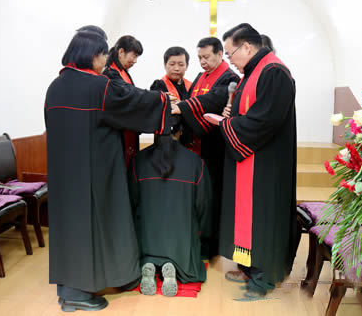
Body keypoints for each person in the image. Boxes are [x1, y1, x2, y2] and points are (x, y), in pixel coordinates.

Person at [45, 28, 171, 312]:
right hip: (96, 172)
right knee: (101, 224)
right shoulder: (98, 87)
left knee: (70, 229)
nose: (105, 61)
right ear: (92, 55)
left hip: (65, 174)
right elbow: (133, 103)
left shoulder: (54, 87)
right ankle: (90, 288)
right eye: (104, 55)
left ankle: (68, 290)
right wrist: (163, 101)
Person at [172, 24, 300, 300]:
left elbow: (265, 119)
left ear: (247, 47)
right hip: (249, 159)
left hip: (266, 165)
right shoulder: (254, 72)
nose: (231, 60)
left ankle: (263, 277)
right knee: (245, 217)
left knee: (262, 219)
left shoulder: (274, 72)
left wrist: (228, 124)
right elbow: (249, 112)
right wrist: (230, 117)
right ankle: (248, 266)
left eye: (230, 54)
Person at [128, 117, 212, 297]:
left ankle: (148, 263)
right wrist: (203, 233)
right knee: (188, 251)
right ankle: (173, 265)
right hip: (181, 240)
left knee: (142, 228)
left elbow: (131, 202)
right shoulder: (196, 162)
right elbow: (203, 205)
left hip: (146, 238)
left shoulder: (138, 161)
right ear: (180, 131)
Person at [173, 37, 240, 258]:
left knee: (212, 196)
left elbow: (212, 100)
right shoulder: (202, 76)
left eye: (206, 57)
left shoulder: (229, 77)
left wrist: (180, 107)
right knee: (198, 196)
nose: (202, 62)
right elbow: (194, 99)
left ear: (220, 54)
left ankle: (211, 246)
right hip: (196, 146)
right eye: (199, 57)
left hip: (215, 148)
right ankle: (196, 238)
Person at [103, 35, 144, 167]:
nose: (135, 61)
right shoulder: (110, 73)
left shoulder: (123, 72)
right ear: (121, 52)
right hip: (117, 135)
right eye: (134, 55)